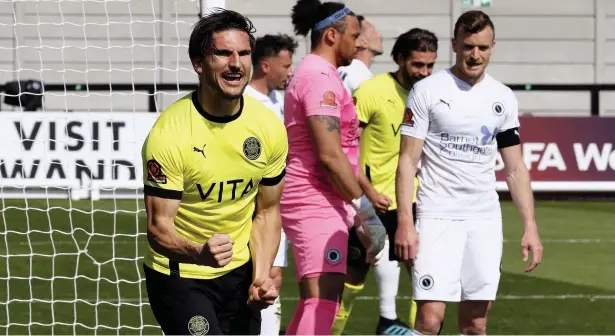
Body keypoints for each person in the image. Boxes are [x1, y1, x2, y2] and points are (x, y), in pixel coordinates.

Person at [395, 10, 544, 335]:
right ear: (454, 45)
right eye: (467, 47)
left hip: (483, 220)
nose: (474, 55)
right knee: (430, 320)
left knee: (476, 323)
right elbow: (407, 161)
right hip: (436, 218)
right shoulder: (427, 91)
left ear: (492, 47)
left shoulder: (502, 98)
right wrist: (406, 222)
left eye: (482, 48)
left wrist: (530, 227)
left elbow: (516, 168)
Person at [141, 9, 288, 335]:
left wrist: (261, 276)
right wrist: (198, 252)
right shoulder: (170, 134)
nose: (236, 64)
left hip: (239, 275)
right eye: (223, 53)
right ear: (199, 63)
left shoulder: (269, 128)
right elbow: (157, 227)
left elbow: (267, 211)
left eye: (244, 53)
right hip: (180, 275)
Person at [281, 0, 383, 334]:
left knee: (318, 300)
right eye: (354, 35)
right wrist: (365, 208)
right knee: (323, 300)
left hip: (324, 200)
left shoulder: (322, 75)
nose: (360, 43)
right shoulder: (318, 79)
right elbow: (329, 155)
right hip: (314, 201)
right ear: (330, 36)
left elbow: (343, 153)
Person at [334, 28, 440, 336]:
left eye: (430, 65)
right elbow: (346, 149)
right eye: (418, 65)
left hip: (416, 202)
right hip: (372, 203)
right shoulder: (371, 91)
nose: (424, 72)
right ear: (399, 59)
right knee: (350, 281)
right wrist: (367, 191)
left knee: (426, 279)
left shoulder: (432, 94)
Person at [244, 33, 298, 336]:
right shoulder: (245, 101)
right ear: (265, 65)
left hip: (276, 203)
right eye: (286, 65)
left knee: (273, 277)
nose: (290, 72)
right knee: (255, 277)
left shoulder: (282, 100)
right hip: (249, 205)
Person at [337, 15, 383, 95]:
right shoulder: (362, 78)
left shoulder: (342, 70)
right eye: (373, 31)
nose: (379, 34)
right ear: (362, 42)